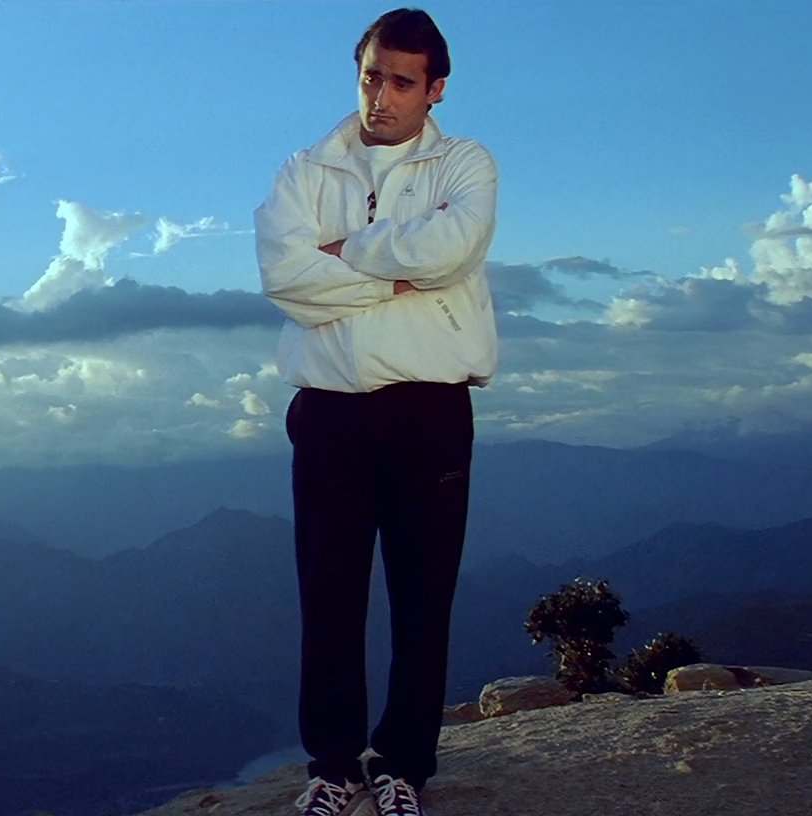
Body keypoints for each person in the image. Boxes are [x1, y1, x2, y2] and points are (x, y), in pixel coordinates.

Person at [251, 8, 499, 816]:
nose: (380, 97)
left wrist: (347, 256)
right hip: (327, 412)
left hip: (430, 410)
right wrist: (398, 273)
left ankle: (402, 766)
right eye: (370, 77)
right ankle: (332, 767)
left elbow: (452, 249)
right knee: (328, 597)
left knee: (423, 599)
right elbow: (285, 278)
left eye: (401, 82)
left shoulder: (465, 164)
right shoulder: (306, 170)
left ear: (435, 89)